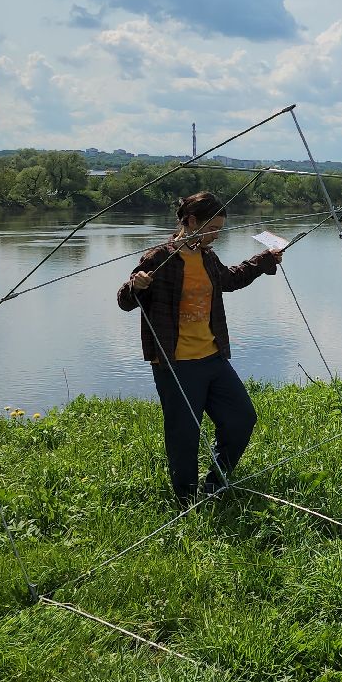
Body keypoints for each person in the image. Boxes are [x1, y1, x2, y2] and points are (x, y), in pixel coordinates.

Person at [117, 191, 283, 507]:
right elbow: (125, 301)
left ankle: (215, 484)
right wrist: (134, 286)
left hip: (213, 356)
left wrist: (262, 262)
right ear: (191, 221)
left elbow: (229, 280)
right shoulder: (157, 259)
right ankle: (187, 502)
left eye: (220, 228)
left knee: (241, 418)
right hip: (175, 362)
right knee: (184, 435)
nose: (216, 235)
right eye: (213, 228)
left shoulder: (206, 256)